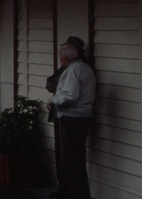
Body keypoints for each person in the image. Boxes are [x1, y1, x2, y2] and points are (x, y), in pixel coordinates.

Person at [48, 42, 95, 199]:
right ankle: (79, 193)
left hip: (72, 118)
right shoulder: (86, 68)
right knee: (77, 159)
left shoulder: (73, 70)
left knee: (70, 160)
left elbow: (69, 96)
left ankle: (74, 194)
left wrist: (53, 99)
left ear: (64, 58)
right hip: (84, 116)